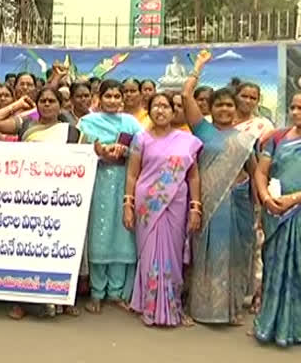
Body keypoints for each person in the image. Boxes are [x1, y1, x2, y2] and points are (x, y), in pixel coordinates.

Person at [0, 87, 83, 319]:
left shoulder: (72, 132)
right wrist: (18, 104)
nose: (47, 105)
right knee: (25, 252)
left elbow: (82, 163)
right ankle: (22, 302)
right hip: (28, 199)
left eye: (52, 101)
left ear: (61, 106)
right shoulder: (25, 126)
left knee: (57, 249)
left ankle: (62, 299)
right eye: (43, 101)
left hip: (59, 200)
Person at [182, 50, 257, 326]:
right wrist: (199, 66)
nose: (224, 110)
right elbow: (185, 96)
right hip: (209, 205)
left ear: (237, 110)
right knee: (207, 255)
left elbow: (254, 173)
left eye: (229, 106)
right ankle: (202, 309)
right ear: (210, 109)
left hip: (238, 206)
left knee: (236, 257)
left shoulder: (246, 139)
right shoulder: (202, 130)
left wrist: (263, 205)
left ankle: (232, 308)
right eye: (219, 105)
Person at [124, 92, 202, 327]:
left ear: (173, 111)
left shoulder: (186, 140)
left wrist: (195, 207)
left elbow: (194, 175)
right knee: (149, 256)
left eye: (165, 106)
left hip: (176, 206)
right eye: (155, 106)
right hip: (148, 206)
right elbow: (132, 174)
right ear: (149, 111)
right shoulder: (141, 138)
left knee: (174, 257)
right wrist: (128, 205)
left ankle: (173, 306)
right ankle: (149, 306)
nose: (160, 111)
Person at [78, 80, 143, 314]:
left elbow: (143, 149)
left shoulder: (131, 122)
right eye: (109, 96)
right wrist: (98, 151)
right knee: (99, 232)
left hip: (124, 181)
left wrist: (126, 152)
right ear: (100, 97)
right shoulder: (87, 122)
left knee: (122, 232)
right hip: (98, 181)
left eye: (117, 97)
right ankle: (97, 291)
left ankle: (116, 292)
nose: (113, 101)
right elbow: (79, 147)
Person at [252, 92, 301, 347]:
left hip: (296, 210)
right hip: (276, 211)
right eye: (293, 107)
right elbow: (261, 171)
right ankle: (271, 324)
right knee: (274, 267)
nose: (296, 112)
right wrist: (264, 197)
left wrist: (294, 199)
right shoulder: (277, 138)